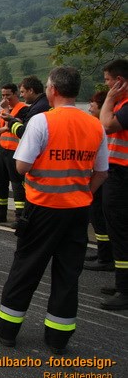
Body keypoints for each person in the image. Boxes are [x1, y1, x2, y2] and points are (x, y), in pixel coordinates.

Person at [0, 66, 108, 354]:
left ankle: (6, 330)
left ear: (52, 90)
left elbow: (21, 166)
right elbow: (102, 172)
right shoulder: (95, 124)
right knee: (68, 274)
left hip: (43, 207)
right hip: (77, 210)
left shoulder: (42, 121)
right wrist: (82, 193)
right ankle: (58, 339)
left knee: (27, 268)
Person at [99, 58, 128, 310]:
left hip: (122, 175)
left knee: (120, 232)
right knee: (118, 231)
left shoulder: (124, 105)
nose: (106, 85)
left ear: (119, 81)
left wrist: (108, 100)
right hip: (117, 173)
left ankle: (125, 289)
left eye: (108, 80)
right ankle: (122, 281)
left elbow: (106, 125)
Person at [0, 84, 28, 224]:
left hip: (16, 152)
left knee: (17, 185)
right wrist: (5, 128)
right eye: (3, 95)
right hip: (2, 150)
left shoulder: (23, 110)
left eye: (8, 95)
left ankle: (20, 216)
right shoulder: (2, 112)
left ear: (16, 94)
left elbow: (15, 126)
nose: (5, 98)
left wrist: (5, 116)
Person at [83, 91, 113, 271]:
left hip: (104, 175)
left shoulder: (104, 126)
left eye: (92, 105)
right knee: (97, 215)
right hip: (101, 174)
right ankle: (103, 252)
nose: (89, 109)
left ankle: (106, 257)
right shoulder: (98, 125)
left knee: (100, 215)